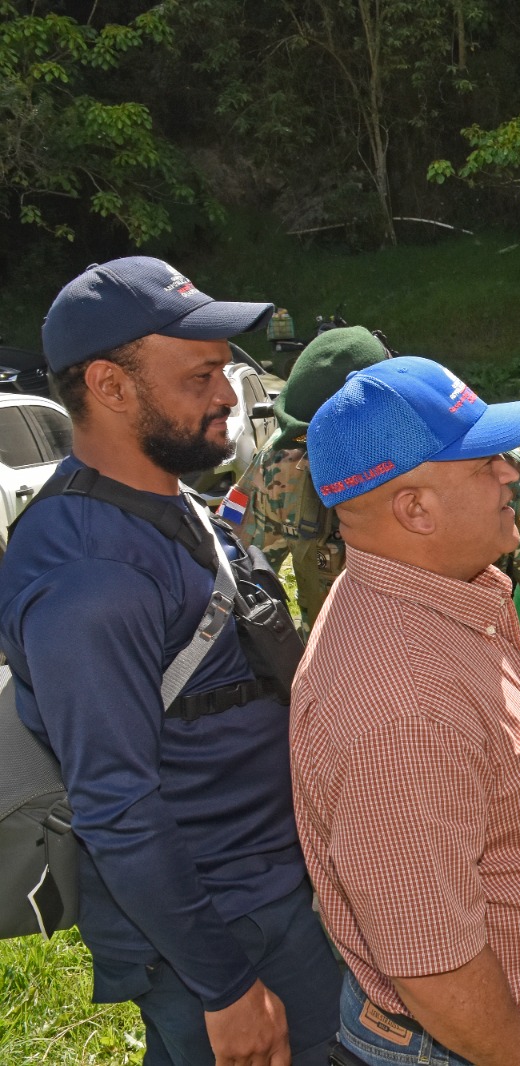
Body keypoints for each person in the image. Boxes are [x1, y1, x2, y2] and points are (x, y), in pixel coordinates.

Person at [0, 257, 341, 1064]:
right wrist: (222, 990)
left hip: (271, 891)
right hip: (220, 928)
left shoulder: (173, 501)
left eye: (224, 371)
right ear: (110, 387)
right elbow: (118, 806)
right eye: (200, 376)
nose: (228, 394)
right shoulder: (89, 574)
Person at [291, 356, 520, 1066]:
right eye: (482, 461)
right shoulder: (405, 705)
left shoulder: (433, 594)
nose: (511, 472)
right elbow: (431, 964)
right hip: (474, 1043)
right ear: (415, 509)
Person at [233, 332, 520, 720]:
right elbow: (239, 579)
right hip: (345, 692)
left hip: (474, 686)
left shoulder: (499, 463)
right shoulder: (282, 465)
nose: (335, 455)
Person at [234, 324, 390, 627]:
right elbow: (236, 569)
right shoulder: (282, 464)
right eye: (311, 442)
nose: (321, 455)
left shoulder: (485, 473)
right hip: (331, 663)